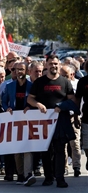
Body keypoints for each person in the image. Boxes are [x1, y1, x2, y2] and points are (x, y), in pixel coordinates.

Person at [27, 55, 76, 188]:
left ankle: (60, 178)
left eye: (56, 64)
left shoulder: (65, 82)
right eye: (51, 64)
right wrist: (38, 104)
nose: (53, 66)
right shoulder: (39, 82)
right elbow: (30, 99)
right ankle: (48, 177)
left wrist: (62, 106)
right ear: (46, 65)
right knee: (46, 150)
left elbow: (73, 100)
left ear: (58, 65)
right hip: (43, 122)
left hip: (60, 122)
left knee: (60, 149)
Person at [1, 63, 36, 186]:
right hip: (14, 121)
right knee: (17, 150)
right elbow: (4, 101)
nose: (20, 71)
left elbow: (36, 100)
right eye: (17, 69)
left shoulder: (31, 86)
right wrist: (7, 109)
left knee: (27, 149)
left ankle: (28, 174)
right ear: (14, 71)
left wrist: (30, 107)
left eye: (22, 69)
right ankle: (20, 175)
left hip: (28, 121)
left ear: (26, 71)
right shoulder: (10, 86)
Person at [60, 65, 81, 177]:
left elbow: (78, 102)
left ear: (72, 75)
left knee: (75, 143)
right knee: (62, 145)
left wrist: (77, 116)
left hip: (73, 117)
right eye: (61, 75)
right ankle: (64, 167)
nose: (63, 77)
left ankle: (76, 166)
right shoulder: (58, 85)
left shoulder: (76, 84)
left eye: (65, 75)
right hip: (62, 118)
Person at [75, 61, 88, 174]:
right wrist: (76, 115)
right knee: (86, 145)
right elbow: (78, 98)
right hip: (87, 117)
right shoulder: (83, 81)